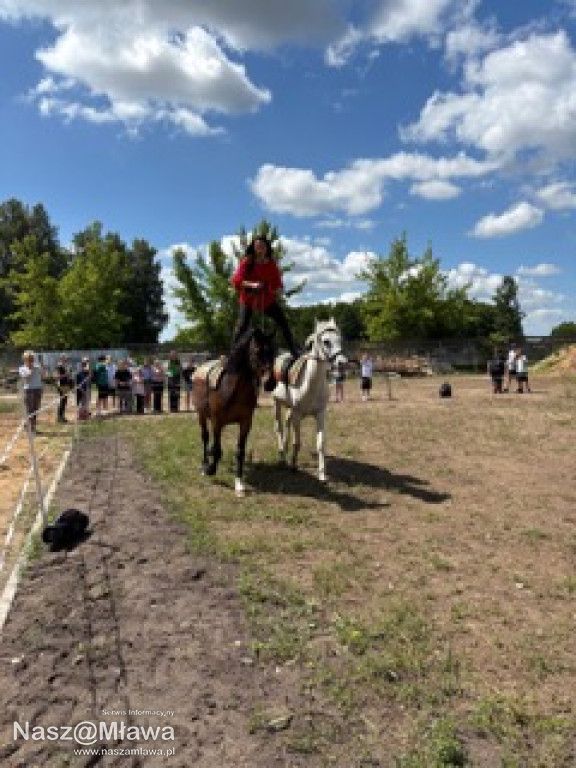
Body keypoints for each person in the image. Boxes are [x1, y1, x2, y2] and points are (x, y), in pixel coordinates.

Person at [230, 235, 300, 391]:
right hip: (248, 300)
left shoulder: (271, 264)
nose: (259, 248)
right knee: (241, 326)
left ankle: (295, 351)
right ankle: (232, 355)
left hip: (266, 300)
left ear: (267, 247)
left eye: (262, 245)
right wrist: (253, 284)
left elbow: (278, 284)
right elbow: (236, 281)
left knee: (283, 322)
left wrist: (275, 289)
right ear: (253, 247)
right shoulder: (247, 261)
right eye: (257, 245)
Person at [18, 350, 44, 433]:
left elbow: (43, 374)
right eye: (29, 359)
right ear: (25, 359)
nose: (31, 361)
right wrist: (31, 369)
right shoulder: (22, 368)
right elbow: (27, 378)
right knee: (30, 409)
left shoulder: (37, 367)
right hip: (29, 390)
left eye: (32, 359)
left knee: (36, 409)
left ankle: (32, 427)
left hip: (38, 389)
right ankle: (29, 427)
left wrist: (41, 365)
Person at [55, 354, 72, 423]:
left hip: (65, 385)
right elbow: (57, 376)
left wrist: (68, 374)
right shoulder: (59, 366)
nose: (67, 359)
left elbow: (67, 376)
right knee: (62, 401)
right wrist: (67, 374)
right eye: (65, 358)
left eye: (66, 358)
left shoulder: (64, 366)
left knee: (64, 401)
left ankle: (62, 416)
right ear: (62, 358)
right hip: (61, 385)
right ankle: (59, 417)